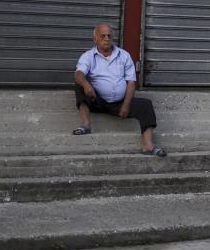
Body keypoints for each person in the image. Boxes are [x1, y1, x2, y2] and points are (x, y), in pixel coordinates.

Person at [71, 23, 167, 156]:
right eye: (102, 36)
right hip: (97, 101)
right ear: (95, 39)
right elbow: (78, 74)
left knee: (145, 105)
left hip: (119, 103)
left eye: (109, 36)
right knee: (79, 84)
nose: (106, 39)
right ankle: (86, 125)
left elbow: (131, 82)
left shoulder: (124, 55)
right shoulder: (87, 56)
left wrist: (126, 105)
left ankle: (148, 145)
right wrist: (87, 85)